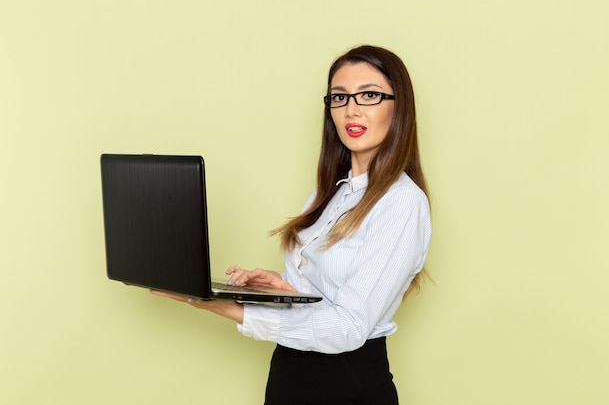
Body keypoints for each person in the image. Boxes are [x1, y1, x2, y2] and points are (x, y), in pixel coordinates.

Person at [153, 45, 432, 405]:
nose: (352, 109)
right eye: (339, 97)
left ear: (399, 107)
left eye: (370, 95)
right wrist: (286, 291)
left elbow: (348, 329)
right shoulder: (332, 189)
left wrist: (234, 310)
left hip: (347, 386)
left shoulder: (402, 202)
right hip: (291, 374)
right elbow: (326, 299)